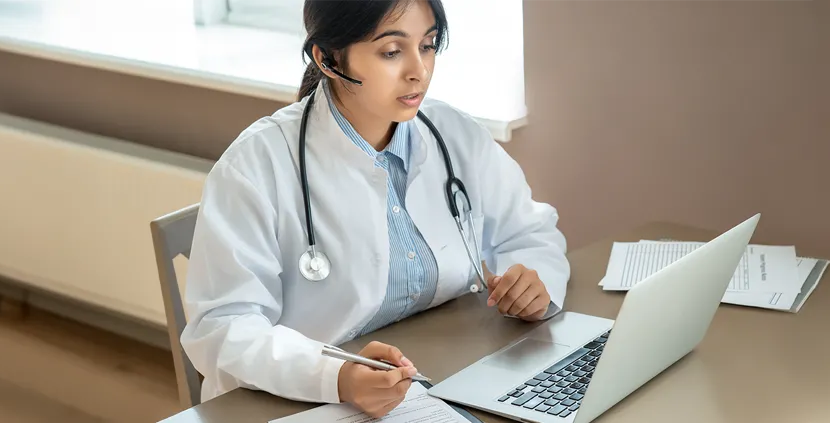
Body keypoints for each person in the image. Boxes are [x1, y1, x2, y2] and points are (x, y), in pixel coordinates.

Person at [181, 0, 570, 417]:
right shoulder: (255, 166)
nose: (417, 70)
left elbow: (530, 233)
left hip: (439, 383)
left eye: (428, 45)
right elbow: (224, 327)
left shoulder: (455, 135)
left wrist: (534, 282)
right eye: (391, 52)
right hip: (295, 404)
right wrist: (335, 376)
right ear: (328, 59)